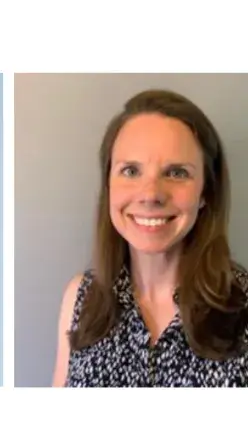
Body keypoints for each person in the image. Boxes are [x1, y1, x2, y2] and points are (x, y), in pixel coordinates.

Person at [52, 89, 248, 387]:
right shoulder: (81, 298)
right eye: (130, 170)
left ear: (206, 191)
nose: (151, 194)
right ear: (108, 185)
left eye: (177, 173)